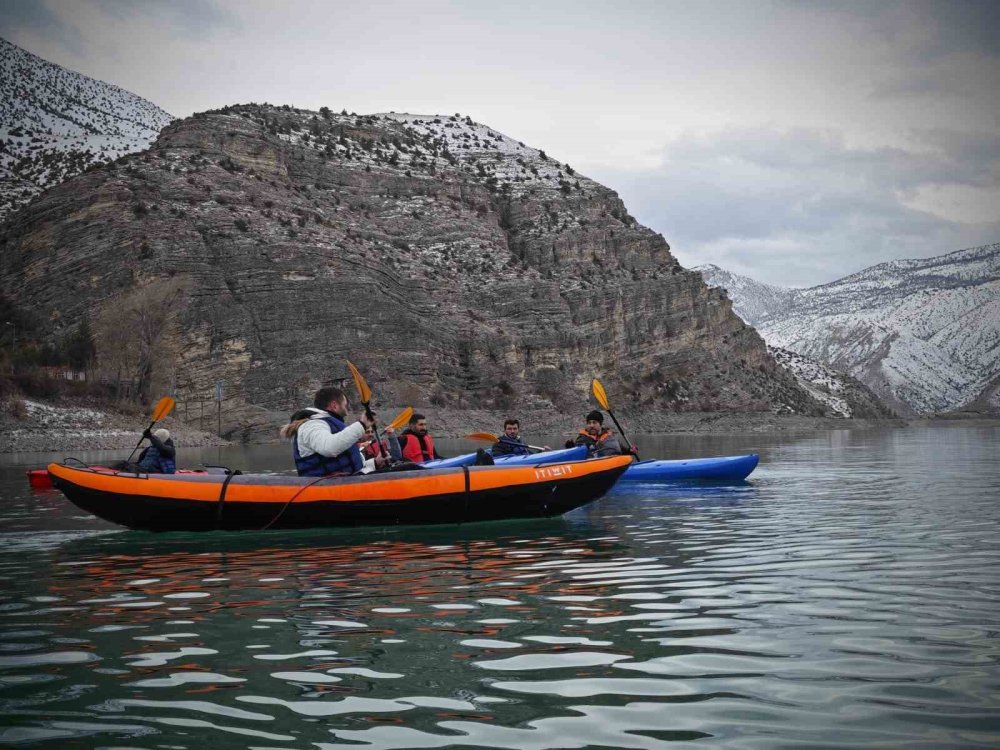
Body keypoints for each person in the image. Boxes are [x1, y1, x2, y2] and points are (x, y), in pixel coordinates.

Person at [280, 386, 383, 477]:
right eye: (345, 404)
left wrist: (375, 463)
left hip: (348, 480)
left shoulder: (327, 424)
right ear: (334, 405)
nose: (347, 408)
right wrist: (362, 424)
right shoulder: (312, 425)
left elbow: (355, 464)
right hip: (325, 488)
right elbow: (329, 448)